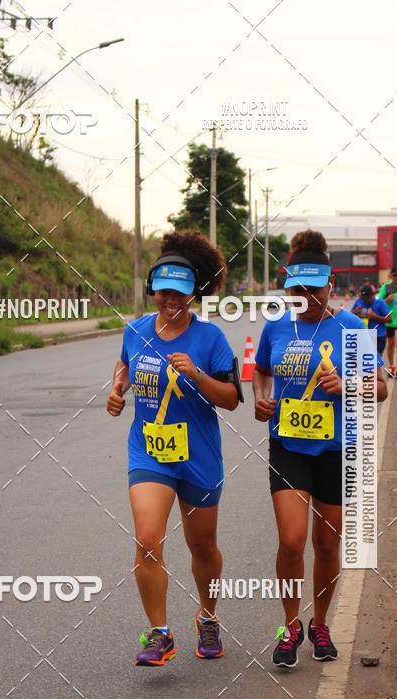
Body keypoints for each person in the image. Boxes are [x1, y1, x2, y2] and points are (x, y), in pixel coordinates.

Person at [106, 231, 242, 666]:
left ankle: (208, 616)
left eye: (179, 294)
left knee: (202, 547)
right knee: (148, 540)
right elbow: (125, 362)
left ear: (193, 294)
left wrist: (199, 376)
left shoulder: (211, 338)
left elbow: (232, 399)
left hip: (199, 456)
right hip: (150, 452)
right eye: (163, 292)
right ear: (152, 289)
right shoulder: (136, 331)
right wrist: (118, 387)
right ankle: (159, 633)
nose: (170, 300)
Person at [253, 230, 388, 668]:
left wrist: (347, 385)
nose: (305, 297)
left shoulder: (351, 327)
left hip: (337, 449)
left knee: (327, 546)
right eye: (296, 290)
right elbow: (261, 372)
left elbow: (382, 388)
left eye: (313, 289)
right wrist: (261, 396)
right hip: (289, 446)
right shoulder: (277, 327)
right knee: (291, 539)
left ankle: (321, 623)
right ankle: (290, 627)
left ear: (331, 285)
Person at [351, 283, 391, 356]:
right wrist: (354, 312)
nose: (365, 301)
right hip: (363, 336)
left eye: (368, 298)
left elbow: (390, 319)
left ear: (372, 295)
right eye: (364, 299)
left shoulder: (380, 302)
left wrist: (376, 317)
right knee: (363, 363)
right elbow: (350, 317)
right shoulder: (359, 301)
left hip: (378, 336)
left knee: (375, 363)